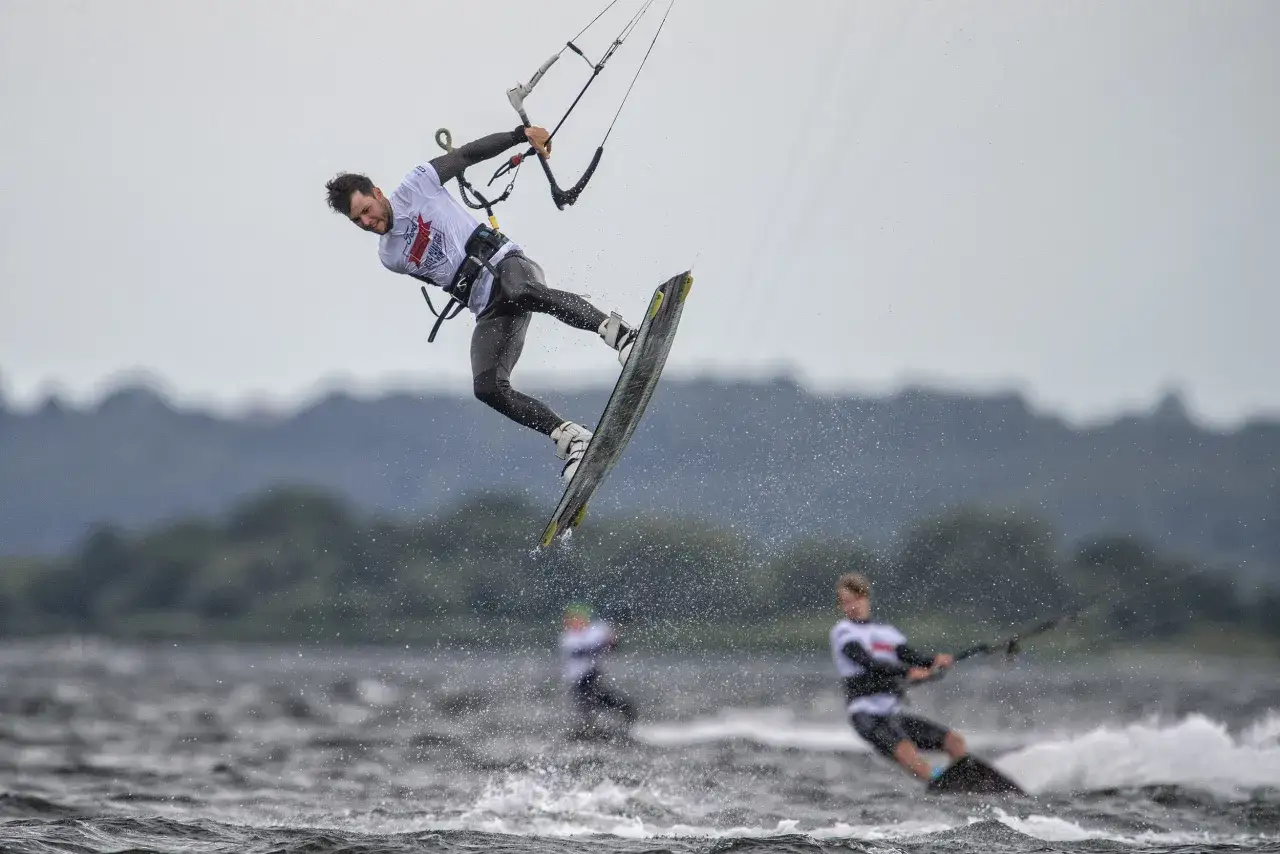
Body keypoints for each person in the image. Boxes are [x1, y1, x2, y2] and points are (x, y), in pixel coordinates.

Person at [324, 126, 638, 483]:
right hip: (487, 305)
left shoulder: (417, 185)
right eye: (357, 221)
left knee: (522, 292)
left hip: (508, 265)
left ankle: (623, 336)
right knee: (487, 387)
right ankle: (571, 438)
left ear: (377, 193)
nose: (367, 222)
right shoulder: (390, 256)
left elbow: (467, 155)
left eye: (366, 210)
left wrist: (521, 135)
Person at [829, 572, 968, 782]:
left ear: (866, 597)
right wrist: (907, 672)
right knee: (909, 753)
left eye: (856, 599)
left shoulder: (888, 633)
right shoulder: (843, 632)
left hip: (893, 714)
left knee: (954, 742)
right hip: (866, 715)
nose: (852, 606)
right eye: (846, 603)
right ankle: (941, 785)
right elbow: (868, 662)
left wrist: (935, 663)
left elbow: (915, 659)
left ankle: (968, 781)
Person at [559, 603, 636, 735]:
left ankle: (623, 727)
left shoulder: (596, 630)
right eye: (570, 619)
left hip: (592, 676)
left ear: (585, 618)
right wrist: (601, 646)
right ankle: (588, 731)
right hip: (579, 681)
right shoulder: (568, 638)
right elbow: (583, 651)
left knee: (616, 705)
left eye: (576, 618)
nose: (572, 622)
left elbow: (612, 645)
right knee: (588, 705)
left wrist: (611, 641)